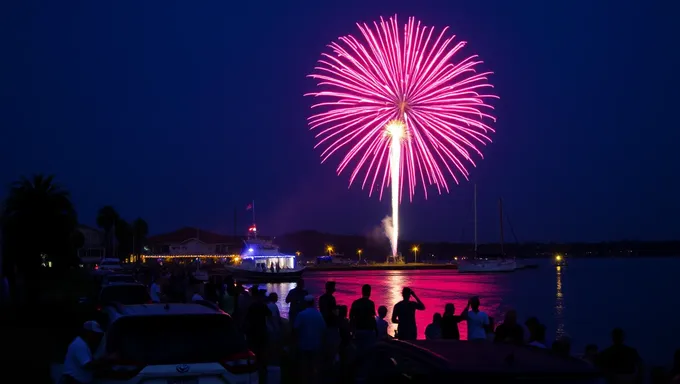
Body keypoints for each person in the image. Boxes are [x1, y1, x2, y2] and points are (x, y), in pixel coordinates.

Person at [293, 295, 326, 384]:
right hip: (316, 344)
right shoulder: (318, 314)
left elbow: (296, 328)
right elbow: (323, 328)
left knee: (305, 367)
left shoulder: (301, 314)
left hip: (303, 344)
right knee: (314, 366)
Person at [245, 289, 272, 384]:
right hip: (261, 331)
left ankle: (256, 367)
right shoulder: (262, 305)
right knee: (262, 351)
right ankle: (262, 368)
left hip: (253, 332)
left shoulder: (252, 305)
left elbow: (247, 318)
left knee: (254, 350)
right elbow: (269, 314)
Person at [350, 284, 378, 352]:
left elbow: (351, 317)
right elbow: (372, 318)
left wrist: (352, 330)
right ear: (369, 292)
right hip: (368, 331)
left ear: (362, 292)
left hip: (358, 330)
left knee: (359, 350)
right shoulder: (371, 303)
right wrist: (376, 330)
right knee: (367, 350)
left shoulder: (355, 303)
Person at [319, 281, 340, 366]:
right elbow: (334, 311)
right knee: (331, 345)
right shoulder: (331, 298)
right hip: (330, 324)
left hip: (323, 323)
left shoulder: (321, 298)